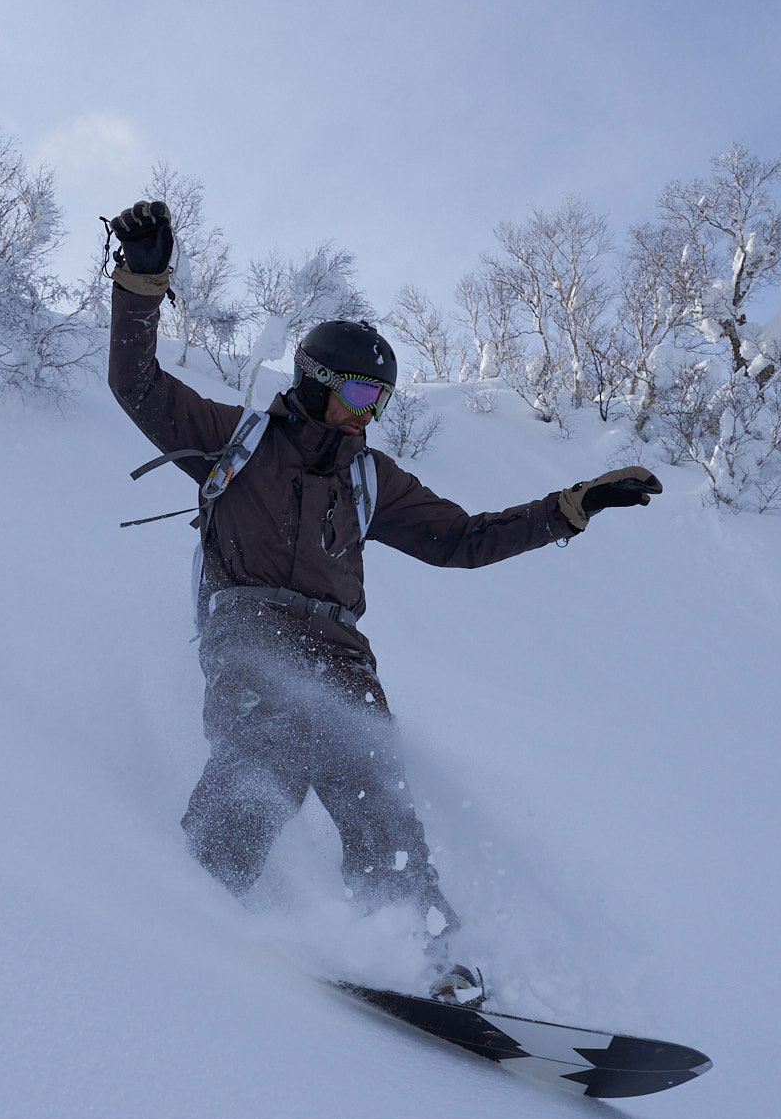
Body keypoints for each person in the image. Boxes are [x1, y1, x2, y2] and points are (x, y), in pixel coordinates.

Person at [105, 199, 660, 1003]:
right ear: (319, 382)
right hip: (251, 631)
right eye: (363, 396)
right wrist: (142, 282)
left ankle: (424, 956)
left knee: (380, 798)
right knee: (268, 750)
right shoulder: (240, 442)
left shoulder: (372, 478)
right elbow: (138, 384)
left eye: (381, 403)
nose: (371, 415)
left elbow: (462, 539)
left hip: (342, 657)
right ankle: (198, 899)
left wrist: (570, 506)